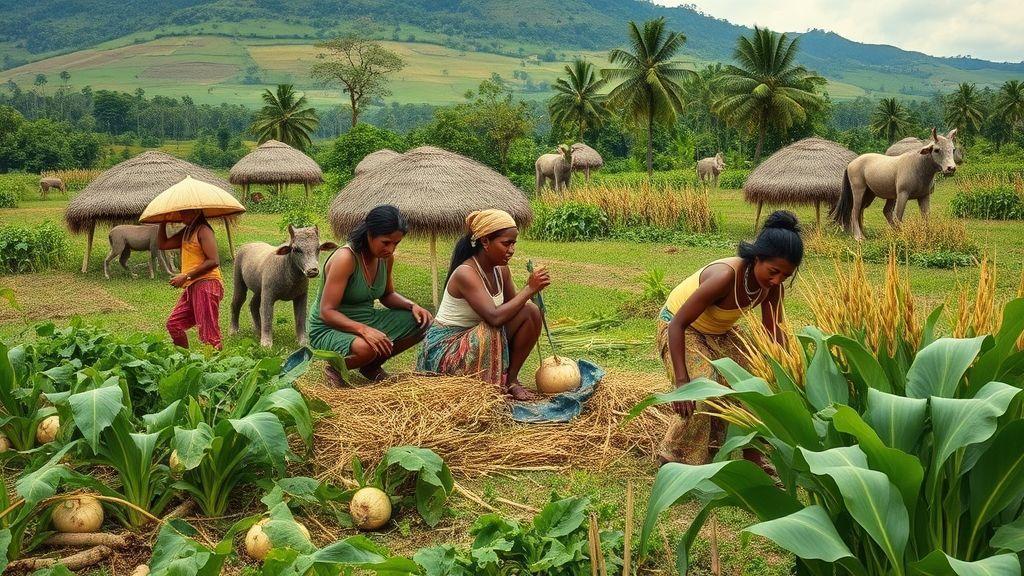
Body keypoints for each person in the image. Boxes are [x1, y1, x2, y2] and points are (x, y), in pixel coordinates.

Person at [656, 210, 803, 466]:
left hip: (720, 332)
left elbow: (773, 333)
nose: (777, 280)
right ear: (757, 257)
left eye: (785, 276)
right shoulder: (726, 276)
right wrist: (682, 383)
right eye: (773, 271)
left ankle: (753, 456)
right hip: (680, 328)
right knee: (702, 386)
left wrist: (785, 368)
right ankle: (675, 459)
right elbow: (677, 324)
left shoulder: (772, 287)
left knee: (753, 383)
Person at [417, 209, 549, 400]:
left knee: (532, 312)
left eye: (513, 243)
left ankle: (510, 380)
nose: (511, 250)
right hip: (448, 348)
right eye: (506, 243)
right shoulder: (466, 273)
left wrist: (533, 297)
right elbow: (494, 317)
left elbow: (516, 310)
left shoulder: (501, 271)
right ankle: (493, 385)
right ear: (485, 242)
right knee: (491, 328)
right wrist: (529, 289)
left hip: (479, 338)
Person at [309, 205, 431, 384]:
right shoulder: (345, 259)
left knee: (423, 323)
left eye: (396, 243)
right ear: (369, 233)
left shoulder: (386, 258)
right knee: (366, 349)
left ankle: (371, 366)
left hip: (366, 319)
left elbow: (387, 295)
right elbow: (326, 312)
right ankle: (334, 367)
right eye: (386, 242)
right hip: (330, 327)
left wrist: (412, 306)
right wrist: (364, 331)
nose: (390, 249)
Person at [158, 210, 223, 350]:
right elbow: (163, 244)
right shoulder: (187, 231)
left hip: (207, 284)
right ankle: (184, 359)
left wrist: (186, 276)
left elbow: (214, 260)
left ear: (194, 212)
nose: (181, 216)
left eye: (184, 213)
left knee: (209, 334)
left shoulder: (204, 230)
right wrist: (162, 222)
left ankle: (217, 367)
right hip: (193, 285)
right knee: (174, 324)